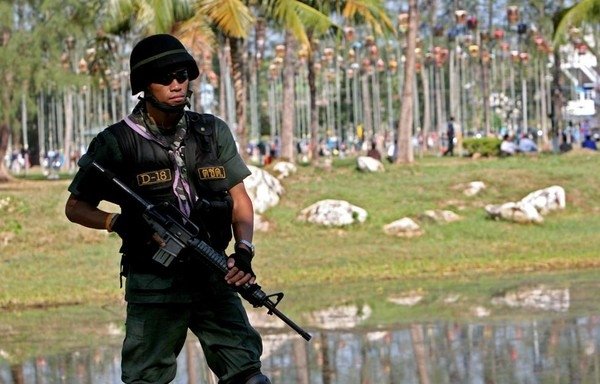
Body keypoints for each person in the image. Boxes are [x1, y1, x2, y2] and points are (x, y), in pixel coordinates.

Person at [64, 34, 271, 384]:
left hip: (213, 273)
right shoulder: (116, 142)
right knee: (147, 378)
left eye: (182, 75)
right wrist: (118, 222)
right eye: (165, 77)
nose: (177, 84)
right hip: (154, 283)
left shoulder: (211, 132)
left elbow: (239, 198)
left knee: (248, 373)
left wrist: (245, 251)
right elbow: (75, 207)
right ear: (144, 85)